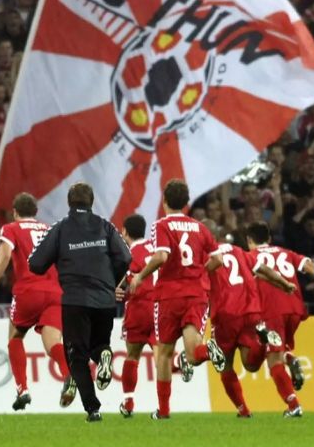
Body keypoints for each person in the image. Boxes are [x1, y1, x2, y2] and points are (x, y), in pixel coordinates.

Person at [28, 182, 131, 423]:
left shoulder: (61, 228)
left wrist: (62, 258)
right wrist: (111, 281)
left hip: (75, 299)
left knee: (77, 357)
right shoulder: (105, 226)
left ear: (69, 203)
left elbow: (35, 263)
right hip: (105, 300)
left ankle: (93, 410)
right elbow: (126, 257)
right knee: (98, 344)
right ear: (91, 202)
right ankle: (105, 354)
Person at [128, 179, 227, 420]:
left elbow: (161, 256)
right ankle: (209, 349)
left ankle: (163, 410)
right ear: (186, 203)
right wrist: (198, 270)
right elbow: (218, 260)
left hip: (169, 296)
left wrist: (140, 276)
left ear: (164, 201)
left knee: (164, 353)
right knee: (193, 355)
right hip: (196, 295)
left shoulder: (161, 225)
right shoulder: (200, 227)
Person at [0, 192, 75, 412]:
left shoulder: (11, 229)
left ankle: (22, 390)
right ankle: (69, 373)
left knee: (15, 336)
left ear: (15, 212)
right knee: (52, 342)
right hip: (55, 292)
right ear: (36, 212)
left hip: (28, 290)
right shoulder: (50, 231)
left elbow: (3, 257)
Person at [247, 220, 314, 418]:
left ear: (249, 241)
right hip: (295, 308)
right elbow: (312, 267)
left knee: (273, 362)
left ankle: (293, 405)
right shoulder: (286, 253)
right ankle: (289, 356)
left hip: (271, 310)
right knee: (276, 349)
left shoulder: (249, 256)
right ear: (269, 239)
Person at [209, 237, 296, 417]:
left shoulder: (206, 255)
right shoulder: (239, 252)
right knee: (251, 365)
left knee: (224, 365)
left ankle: (243, 409)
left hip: (225, 314)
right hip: (251, 312)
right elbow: (263, 269)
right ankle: (263, 342)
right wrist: (284, 284)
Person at [116, 213, 156, 418]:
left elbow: (125, 284)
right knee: (163, 358)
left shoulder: (129, 253)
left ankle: (129, 402)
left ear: (124, 232)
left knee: (132, 356)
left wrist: (116, 292)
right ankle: (163, 405)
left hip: (139, 308)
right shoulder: (156, 248)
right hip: (160, 308)